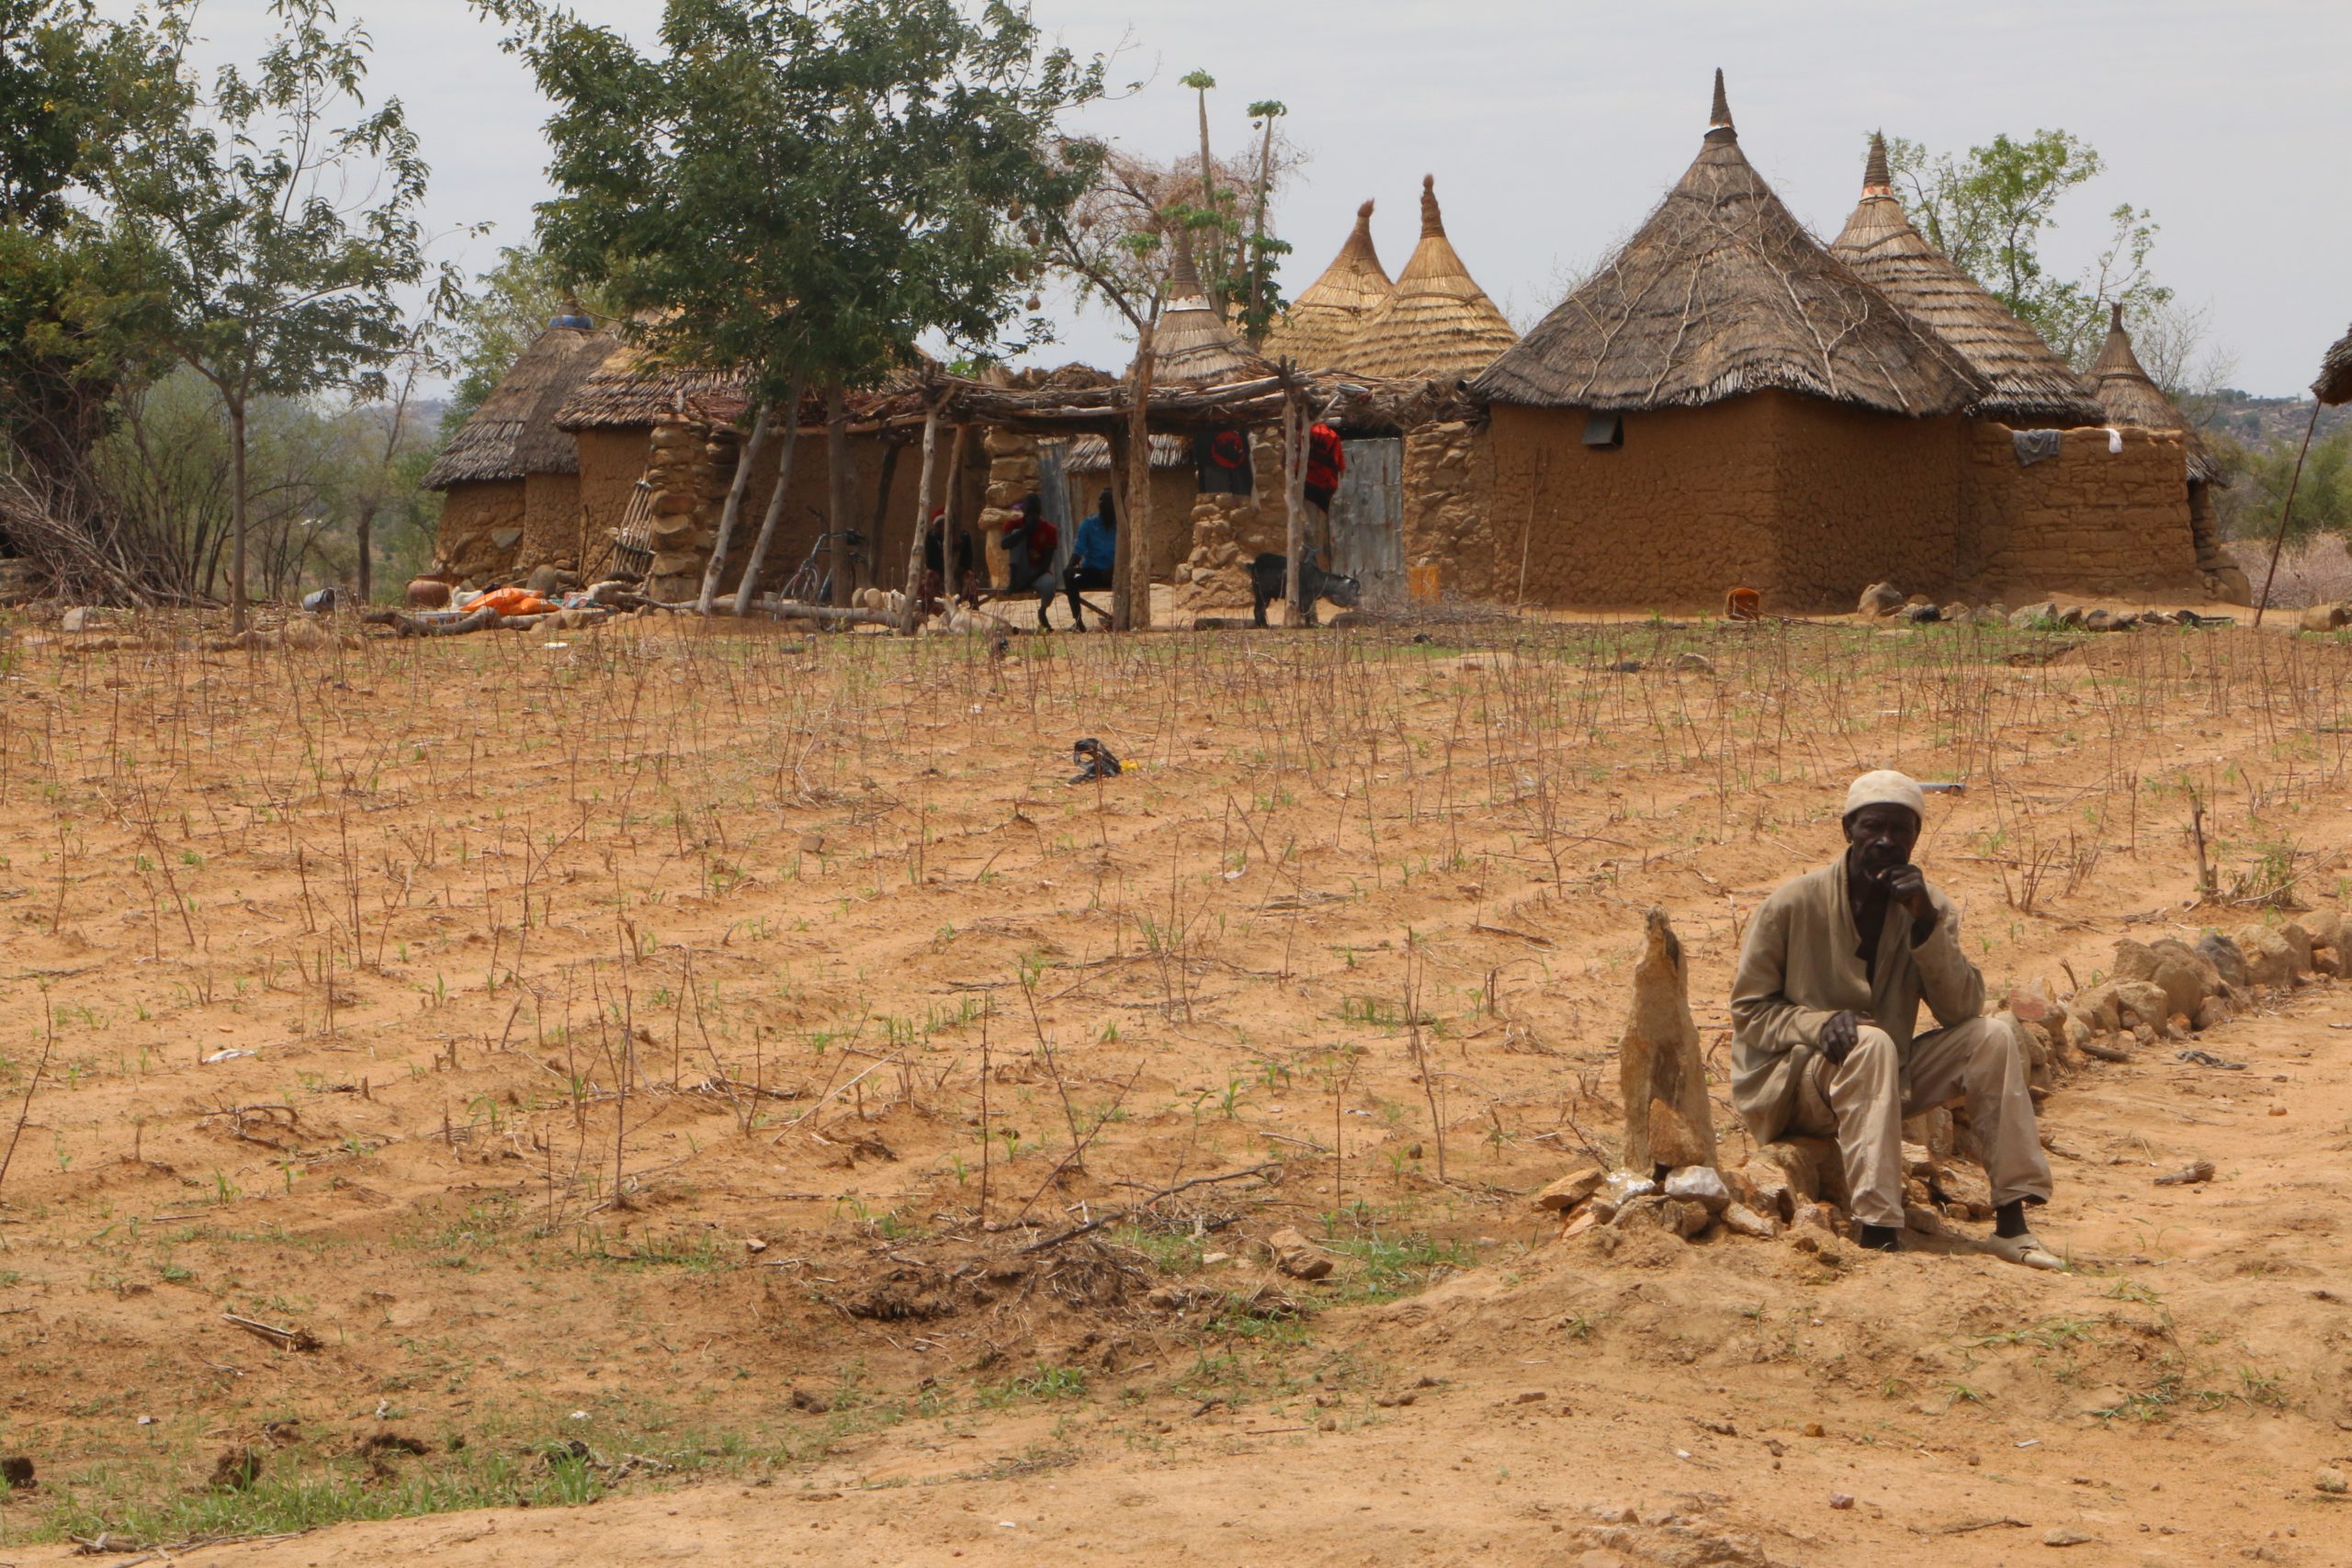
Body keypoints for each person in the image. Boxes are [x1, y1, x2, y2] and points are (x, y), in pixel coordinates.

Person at [1730, 770, 2058, 1267]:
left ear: (1915, 838)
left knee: (1991, 1035)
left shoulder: (1926, 907)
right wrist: (1819, 1024)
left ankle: (2012, 1223)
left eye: (1899, 830)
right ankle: (1878, 1229)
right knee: (1872, 1042)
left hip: (1886, 1075)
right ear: (1848, 830)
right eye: (1872, 828)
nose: (1885, 841)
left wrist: (1926, 924)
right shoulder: (1791, 904)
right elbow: (1750, 1012)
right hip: (1796, 1084)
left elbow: (1961, 1009)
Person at [1057, 489, 1116, 630]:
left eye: (1106, 500)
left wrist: (1114, 568)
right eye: (1100, 500)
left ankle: (1126, 618)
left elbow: (1128, 554)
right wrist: (1071, 565)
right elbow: (1079, 550)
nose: (1101, 503)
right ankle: (1078, 622)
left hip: (1115, 574)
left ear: (1115, 504)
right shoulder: (1089, 524)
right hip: (1092, 572)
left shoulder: (1122, 526)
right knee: (1069, 575)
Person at [1000, 493, 1058, 630]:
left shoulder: (1050, 530)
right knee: (1015, 534)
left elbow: (1046, 563)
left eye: (1036, 513)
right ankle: (1013, 581)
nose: (1033, 517)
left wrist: (1029, 581)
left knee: (1050, 585)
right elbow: (1004, 545)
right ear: (1023, 512)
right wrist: (1025, 531)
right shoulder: (1012, 524)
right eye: (1030, 512)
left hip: (1038, 572)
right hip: (1019, 570)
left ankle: (1043, 610)